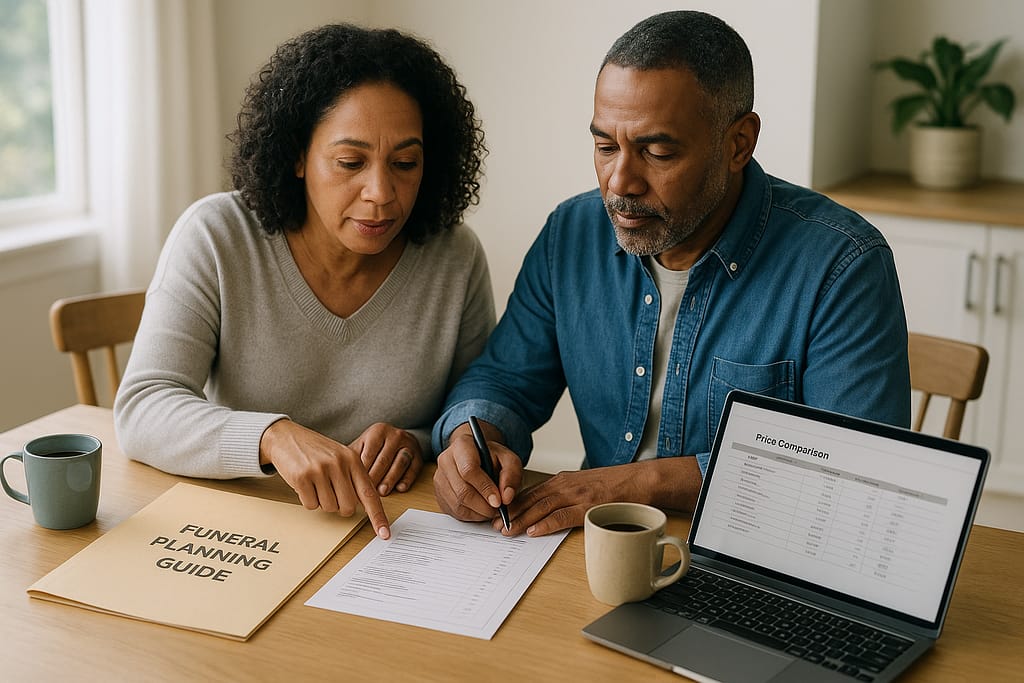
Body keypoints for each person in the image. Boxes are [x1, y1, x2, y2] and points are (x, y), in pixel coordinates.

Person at [432, 10, 910, 537]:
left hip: (754, 554)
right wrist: (470, 439)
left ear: (738, 144)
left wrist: (638, 484)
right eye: (605, 146)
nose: (620, 182)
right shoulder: (571, 234)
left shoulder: (841, 264)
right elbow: (506, 378)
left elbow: (856, 472)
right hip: (596, 547)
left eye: (656, 152)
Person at [115, 24, 494, 540]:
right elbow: (143, 407)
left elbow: (472, 414)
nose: (381, 192)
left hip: (391, 532)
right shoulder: (218, 236)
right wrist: (271, 436)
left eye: (405, 163)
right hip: (246, 527)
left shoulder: (454, 257)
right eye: (349, 162)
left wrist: (419, 441)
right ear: (296, 156)